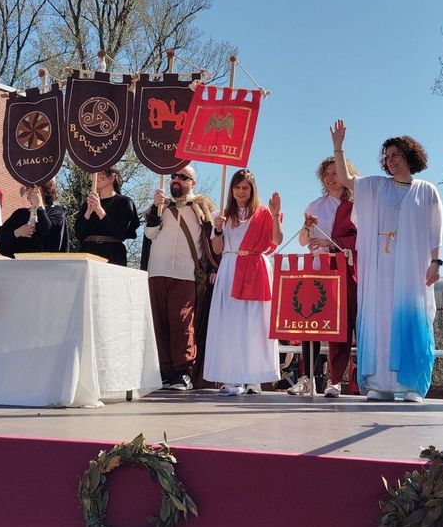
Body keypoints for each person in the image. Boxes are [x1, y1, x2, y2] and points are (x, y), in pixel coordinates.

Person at [330, 120, 443, 402]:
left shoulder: (426, 190)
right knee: (379, 320)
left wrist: (436, 262)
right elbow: (345, 179)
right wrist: (338, 147)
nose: (390, 161)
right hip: (379, 271)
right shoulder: (376, 187)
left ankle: (412, 386)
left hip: (411, 271)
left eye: (396, 155)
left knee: (412, 319)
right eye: (387, 157)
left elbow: (435, 230)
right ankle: (379, 384)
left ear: (409, 156)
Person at [203, 169, 284, 396]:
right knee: (230, 324)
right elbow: (218, 249)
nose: (240, 191)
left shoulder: (264, 213)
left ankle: (254, 378)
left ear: (252, 190)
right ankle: (232, 378)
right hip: (230, 269)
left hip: (256, 268)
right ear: (231, 189)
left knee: (255, 324)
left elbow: (276, 240)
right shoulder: (223, 214)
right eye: (237, 187)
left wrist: (276, 215)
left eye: (245, 187)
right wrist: (218, 229)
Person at [288, 156, 360, 398]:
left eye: (335, 172)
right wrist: (308, 228)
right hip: (316, 269)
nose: (330, 177)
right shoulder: (315, 205)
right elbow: (302, 241)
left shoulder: (356, 206)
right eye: (326, 174)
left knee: (340, 326)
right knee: (310, 323)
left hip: (342, 270)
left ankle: (336, 380)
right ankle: (307, 379)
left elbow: (359, 240)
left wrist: (332, 244)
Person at [142, 165, 216, 391]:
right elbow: (150, 234)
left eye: (183, 177)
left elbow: (212, 240)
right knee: (159, 323)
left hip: (186, 273)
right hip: (157, 271)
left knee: (183, 323)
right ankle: (165, 372)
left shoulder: (203, 208)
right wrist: (156, 207)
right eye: (174, 176)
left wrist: (215, 265)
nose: (176, 180)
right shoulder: (160, 206)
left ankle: (183, 372)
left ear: (193, 183)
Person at [75, 165, 139, 266]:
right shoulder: (88, 203)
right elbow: (78, 233)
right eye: (95, 173)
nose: (97, 176)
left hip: (112, 253)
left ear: (113, 177)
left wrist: (100, 212)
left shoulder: (124, 202)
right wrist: (88, 212)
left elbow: (120, 232)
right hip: (88, 252)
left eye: (102, 173)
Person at [0, 179, 68, 258]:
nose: (28, 193)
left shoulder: (57, 213)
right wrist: (16, 233)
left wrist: (39, 207)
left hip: (47, 267)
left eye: (29, 188)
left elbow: (50, 236)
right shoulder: (20, 214)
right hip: (22, 267)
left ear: (40, 189)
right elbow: (1, 245)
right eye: (26, 189)